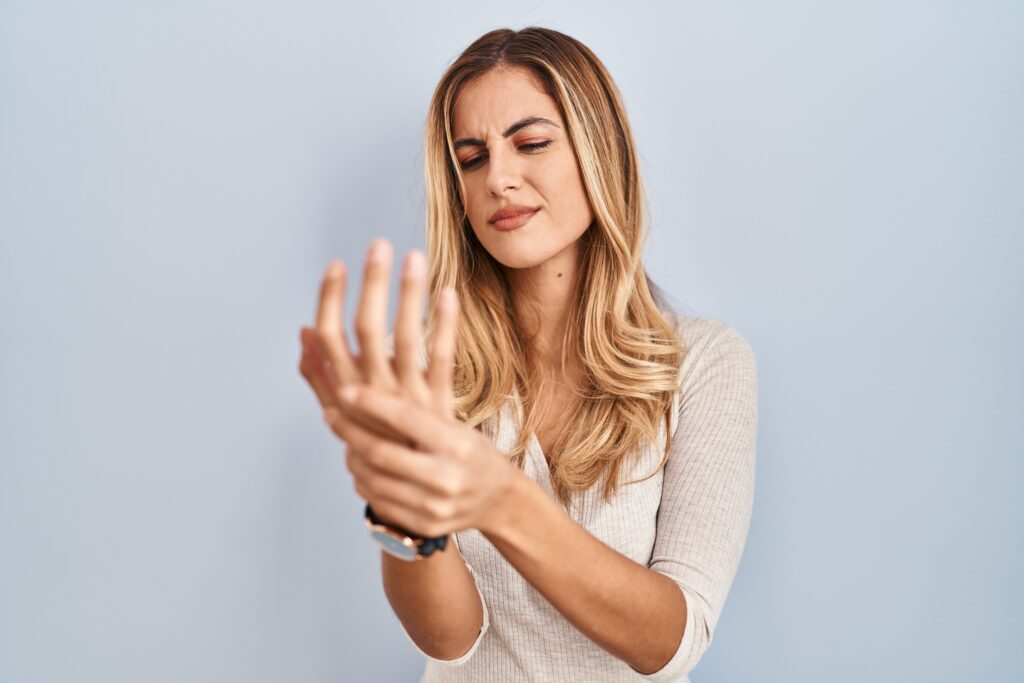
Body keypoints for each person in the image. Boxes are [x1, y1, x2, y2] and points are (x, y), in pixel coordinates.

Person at [298, 26, 758, 683]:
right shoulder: (430, 368)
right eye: (472, 157)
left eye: (531, 142)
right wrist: (399, 504)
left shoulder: (707, 363)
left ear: (600, 152)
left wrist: (501, 498)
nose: (500, 179)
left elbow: (669, 642)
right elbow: (452, 641)